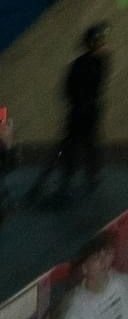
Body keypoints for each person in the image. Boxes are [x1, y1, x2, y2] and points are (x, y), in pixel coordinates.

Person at [30, 23, 109, 206]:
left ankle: (64, 179)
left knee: (73, 146)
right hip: (85, 113)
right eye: (99, 40)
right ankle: (79, 178)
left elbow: (69, 89)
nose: (102, 43)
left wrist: (78, 104)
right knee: (80, 146)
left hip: (81, 112)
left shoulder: (84, 63)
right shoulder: (96, 63)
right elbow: (79, 88)